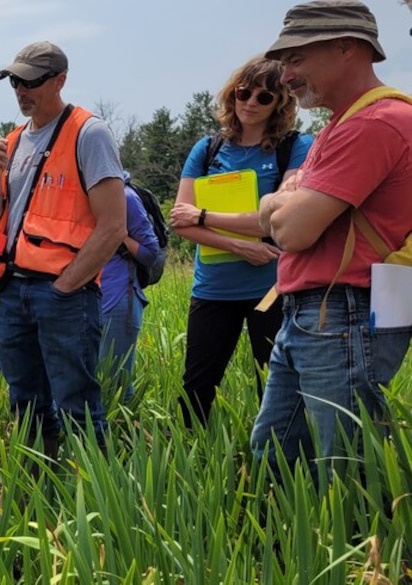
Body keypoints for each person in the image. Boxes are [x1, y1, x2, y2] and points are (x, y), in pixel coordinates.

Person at [253, 0, 412, 470]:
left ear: (347, 48)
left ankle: (367, 546)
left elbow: (291, 229)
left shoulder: (375, 124)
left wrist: (282, 204)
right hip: (318, 315)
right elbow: (275, 210)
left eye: (296, 59)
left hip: (342, 317)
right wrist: (281, 203)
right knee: (275, 460)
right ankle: (288, 544)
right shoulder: (338, 127)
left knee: (344, 472)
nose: (285, 77)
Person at [0, 42, 127, 455]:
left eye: (31, 81)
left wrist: (65, 286)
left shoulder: (88, 132)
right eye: (15, 81)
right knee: (24, 398)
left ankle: (91, 494)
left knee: (75, 400)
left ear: (60, 80)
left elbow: (114, 224)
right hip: (13, 288)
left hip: (63, 292)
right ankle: (36, 483)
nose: (20, 90)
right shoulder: (12, 142)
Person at [169, 56, 312, 427]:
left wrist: (203, 217)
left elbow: (282, 217)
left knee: (274, 382)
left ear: (281, 103)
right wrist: (241, 244)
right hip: (213, 289)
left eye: (264, 97)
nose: (250, 102)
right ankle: (192, 462)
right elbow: (179, 223)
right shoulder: (208, 149)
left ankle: (277, 467)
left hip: (271, 289)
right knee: (196, 388)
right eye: (243, 93)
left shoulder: (294, 147)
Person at [98, 174, 162, 403]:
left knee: (117, 385)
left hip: (118, 298)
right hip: (85, 298)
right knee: (95, 380)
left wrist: (119, 235)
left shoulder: (125, 197)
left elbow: (150, 253)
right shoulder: (79, 195)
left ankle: (125, 436)